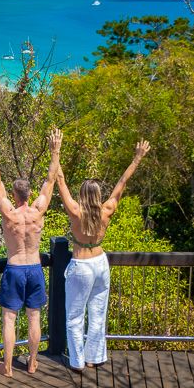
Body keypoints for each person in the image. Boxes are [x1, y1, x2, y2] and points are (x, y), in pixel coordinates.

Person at [56, 140, 151, 371]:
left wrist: (55, 151)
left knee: (75, 317)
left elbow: (60, 181)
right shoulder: (107, 210)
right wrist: (137, 157)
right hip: (100, 263)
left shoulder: (76, 212)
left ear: (82, 194)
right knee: (98, 314)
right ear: (98, 194)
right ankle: (93, 358)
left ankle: (77, 362)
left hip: (82, 265)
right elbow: (122, 182)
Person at [0, 128, 62, 378]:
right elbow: (50, 182)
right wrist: (55, 150)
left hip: (15, 267)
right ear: (29, 194)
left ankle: (7, 366)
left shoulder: (9, 213)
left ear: (15, 195)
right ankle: (32, 362)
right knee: (34, 317)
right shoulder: (38, 210)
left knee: (9, 319)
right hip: (35, 268)